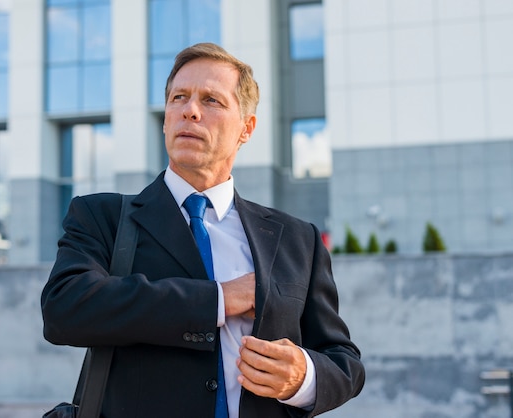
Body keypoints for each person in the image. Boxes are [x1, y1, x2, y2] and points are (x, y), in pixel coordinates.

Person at [41, 42, 365, 417]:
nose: (190, 111)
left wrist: (303, 378)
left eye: (211, 100)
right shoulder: (102, 216)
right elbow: (64, 308)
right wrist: (218, 299)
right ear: (165, 119)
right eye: (179, 97)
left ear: (246, 128)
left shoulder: (297, 239)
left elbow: (344, 361)